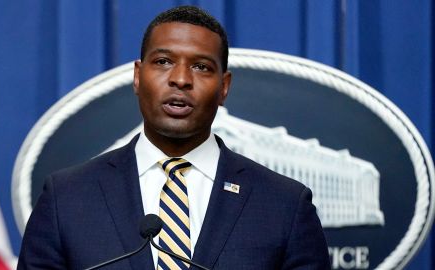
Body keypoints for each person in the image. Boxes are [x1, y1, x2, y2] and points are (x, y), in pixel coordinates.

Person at [18, 5, 330, 270]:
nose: (180, 79)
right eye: (163, 62)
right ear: (138, 76)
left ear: (224, 86)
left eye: (201, 66)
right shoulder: (67, 199)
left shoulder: (284, 206)